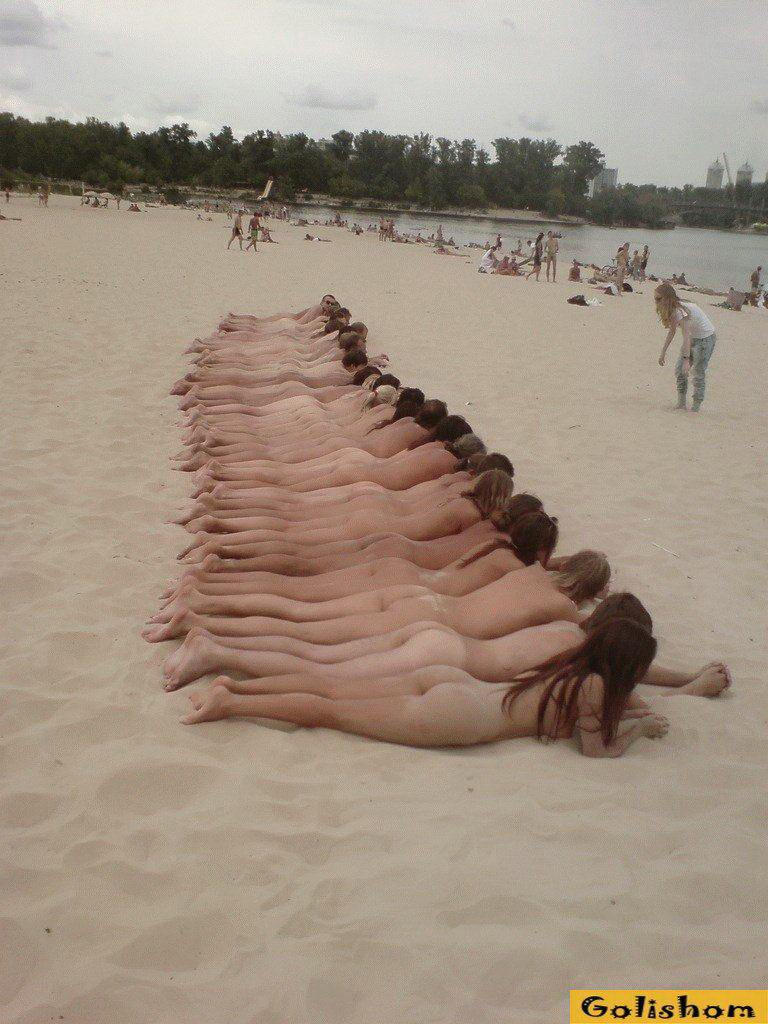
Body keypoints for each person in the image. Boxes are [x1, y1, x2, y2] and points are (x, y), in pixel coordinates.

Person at [179, 619, 677, 758]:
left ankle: (236, 687)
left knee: (333, 686)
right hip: (462, 717)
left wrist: (635, 713)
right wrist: (640, 729)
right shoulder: (595, 688)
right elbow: (595, 749)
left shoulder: (573, 664)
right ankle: (232, 702)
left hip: (458, 684)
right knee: (329, 710)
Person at [655, 282, 717, 411]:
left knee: (698, 373)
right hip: (693, 338)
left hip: (705, 339)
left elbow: (686, 336)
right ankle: (681, 404)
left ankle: (696, 407)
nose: (656, 302)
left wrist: (686, 360)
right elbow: (672, 331)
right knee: (680, 371)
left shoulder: (681, 311)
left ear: (667, 298)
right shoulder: (673, 311)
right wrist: (663, 352)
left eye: (659, 299)